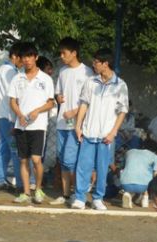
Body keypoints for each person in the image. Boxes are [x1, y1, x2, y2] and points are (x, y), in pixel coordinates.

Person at [73, 48, 129, 210]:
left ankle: (98, 198)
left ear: (106, 64)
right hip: (89, 131)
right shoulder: (90, 82)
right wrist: (78, 126)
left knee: (103, 167)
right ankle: (80, 198)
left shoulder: (120, 85)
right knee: (83, 166)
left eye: (96, 62)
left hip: (106, 135)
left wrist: (113, 132)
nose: (94, 64)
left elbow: (122, 111)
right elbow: (84, 104)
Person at [9, 42, 55, 205]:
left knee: (36, 159)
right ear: (20, 59)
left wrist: (37, 111)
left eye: (30, 56)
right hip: (21, 125)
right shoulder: (17, 78)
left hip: (38, 126)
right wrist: (19, 115)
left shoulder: (46, 79)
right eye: (24, 57)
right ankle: (26, 192)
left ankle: (39, 189)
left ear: (36, 57)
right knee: (23, 159)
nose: (27, 60)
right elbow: (12, 101)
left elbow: (51, 103)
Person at [50, 37, 93, 206]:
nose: (62, 56)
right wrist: (58, 97)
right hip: (62, 122)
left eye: (64, 53)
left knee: (70, 159)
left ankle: (79, 192)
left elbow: (90, 100)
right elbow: (58, 93)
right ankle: (66, 194)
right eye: (60, 53)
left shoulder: (87, 72)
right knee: (62, 159)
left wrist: (75, 112)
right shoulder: (62, 72)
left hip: (77, 124)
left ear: (74, 53)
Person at [0, 42, 23, 193]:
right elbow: (14, 97)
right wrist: (15, 118)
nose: (23, 62)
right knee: (14, 149)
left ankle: (0, 180)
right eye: (21, 58)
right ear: (15, 57)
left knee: (3, 147)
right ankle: (20, 184)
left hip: (1, 114)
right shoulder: (11, 72)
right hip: (8, 116)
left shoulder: (3, 69)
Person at [120, 139, 157, 208]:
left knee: (129, 172)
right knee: (149, 173)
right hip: (143, 186)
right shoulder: (154, 156)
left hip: (125, 184)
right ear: (154, 150)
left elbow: (122, 167)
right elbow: (155, 175)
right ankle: (145, 198)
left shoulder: (129, 152)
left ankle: (127, 193)